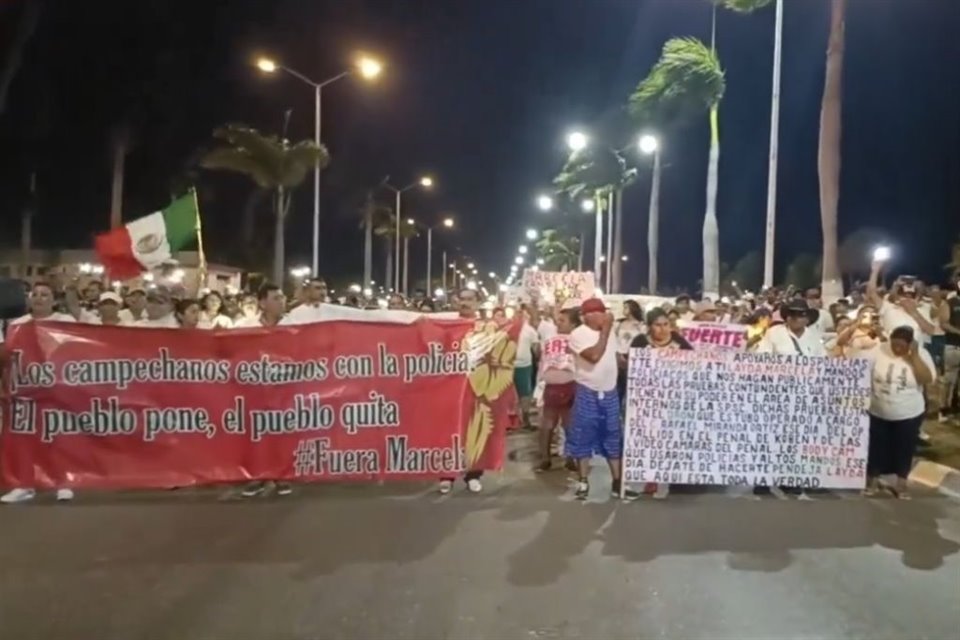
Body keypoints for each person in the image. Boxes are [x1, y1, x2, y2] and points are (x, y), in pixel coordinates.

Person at [1, 282, 77, 504]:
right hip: (25, 391)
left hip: (57, 391)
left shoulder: (65, 322)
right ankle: (24, 485)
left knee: (57, 439)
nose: (39, 298)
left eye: (45, 294)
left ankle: (63, 484)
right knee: (23, 439)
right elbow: (10, 357)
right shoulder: (17, 324)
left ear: (54, 300)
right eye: (35, 294)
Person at [566, 298, 638, 500]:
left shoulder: (610, 333)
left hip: (610, 391)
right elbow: (594, 356)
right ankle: (583, 481)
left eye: (604, 312)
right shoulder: (578, 334)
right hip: (587, 391)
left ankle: (617, 482)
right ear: (587, 316)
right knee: (583, 435)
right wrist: (605, 330)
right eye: (600, 313)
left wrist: (638, 365)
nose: (605, 316)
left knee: (613, 436)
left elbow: (615, 358)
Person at [629, 307, 695, 499]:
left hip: (674, 399)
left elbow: (694, 364)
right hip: (647, 400)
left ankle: (676, 477)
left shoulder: (680, 342)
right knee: (650, 440)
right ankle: (651, 478)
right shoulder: (640, 342)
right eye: (658, 325)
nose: (663, 329)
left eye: (666, 324)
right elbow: (631, 367)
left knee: (674, 439)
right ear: (650, 326)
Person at [863, 326, 936, 499]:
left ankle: (901, 483)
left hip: (908, 412)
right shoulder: (878, 351)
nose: (896, 349)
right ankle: (872, 480)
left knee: (904, 448)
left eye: (901, 346)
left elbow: (927, 379)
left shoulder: (921, 354)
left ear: (911, 344)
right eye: (894, 344)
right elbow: (860, 369)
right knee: (876, 447)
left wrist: (914, 357)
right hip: (879, 410)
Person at [439, 287, 485, 494]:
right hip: (450, 386)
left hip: (476, 386)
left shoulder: (486, 327)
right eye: (462, 299)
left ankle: (473, 475)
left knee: (475, 431)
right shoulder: (446, 325)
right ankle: (446, 475)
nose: (465, 303)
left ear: (477, 303)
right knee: (448, 431)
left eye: (470, 299)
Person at [536, 308, 579, 472]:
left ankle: (570, 457)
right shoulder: (550, 339)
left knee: (569, 424)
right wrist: (540, 384)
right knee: (547, 424)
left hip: (570, 385)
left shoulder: (577, 340)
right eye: (558, 320)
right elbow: (542, 362)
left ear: (573, 324)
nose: (558, 324)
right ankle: (545, 459)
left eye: (563, 321)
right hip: (551, 386)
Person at [756, 299, 827, 357]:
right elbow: (762, 356)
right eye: (791, 313)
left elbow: (822, 359)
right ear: (786, 317)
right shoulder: (773, 333)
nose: (795, 318)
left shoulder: (814, 337)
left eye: (800, 315)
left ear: (807, 319)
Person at [514, 308, 540, 430]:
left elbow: (536, 347)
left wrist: (538, 360)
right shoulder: (508, 329)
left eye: (522, 314)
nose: (520, 316)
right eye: (518, 314)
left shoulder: (530, 330)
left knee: (525, 393)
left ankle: (525, 418)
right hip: (507, 366)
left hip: (524, 365)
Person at [615, 300, 645, 402]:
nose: (624, 310)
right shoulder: (619, 324)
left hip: (632, 357)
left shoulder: (641, 325)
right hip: (619, 357)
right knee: (618, 388)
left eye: (626, 307)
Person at [939, 276, 960, 423]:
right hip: (954, 346)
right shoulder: (950, 303)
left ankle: (954, 407)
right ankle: (944, 409)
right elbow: (943, 323)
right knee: (949, 381)